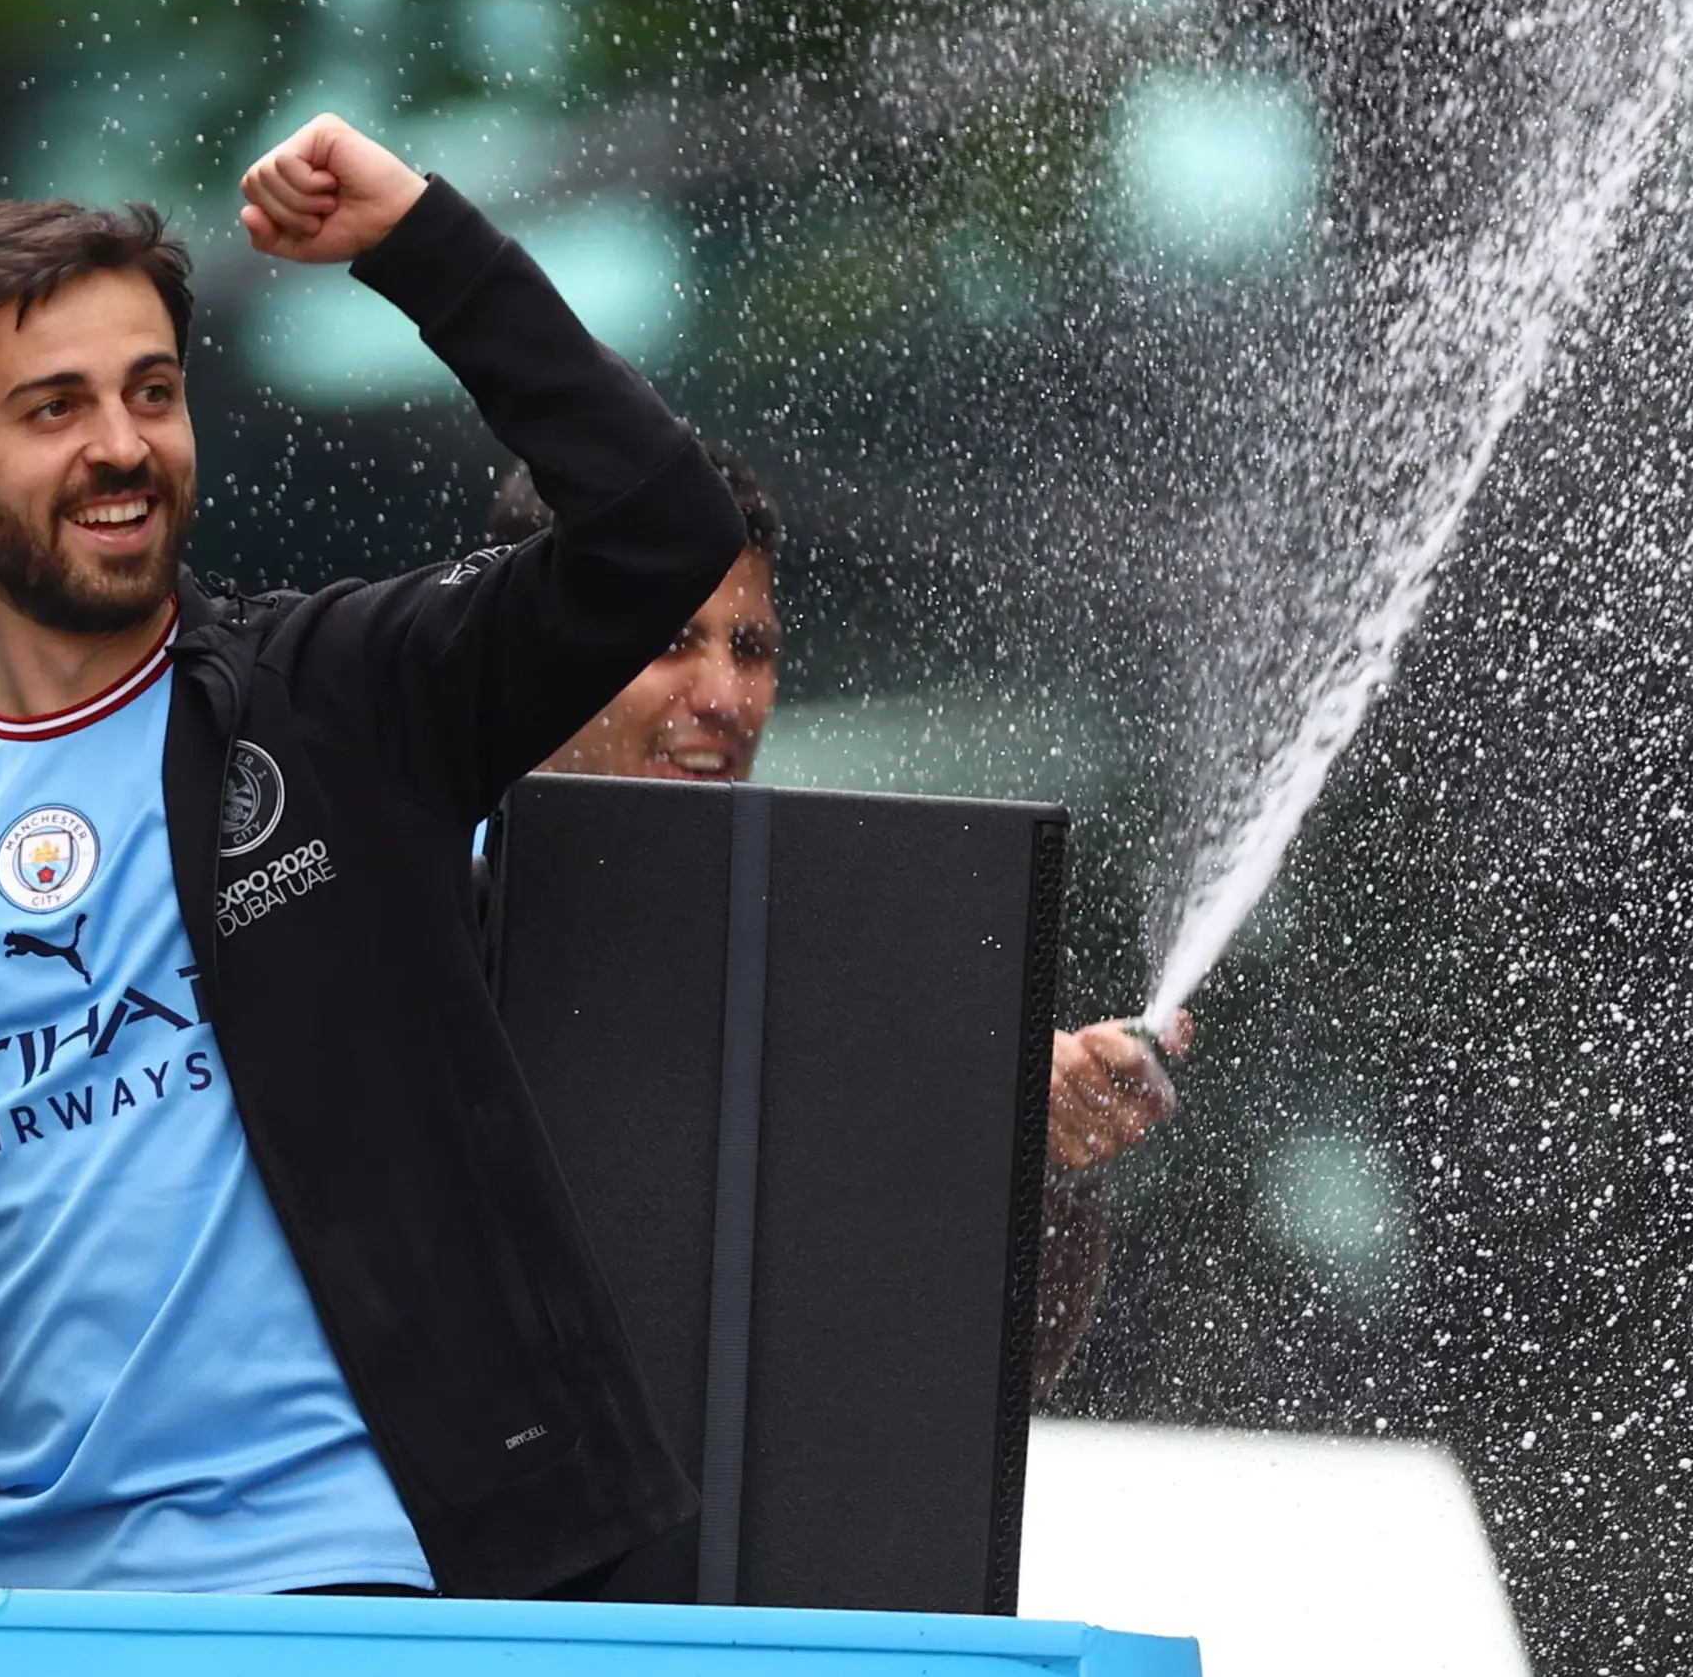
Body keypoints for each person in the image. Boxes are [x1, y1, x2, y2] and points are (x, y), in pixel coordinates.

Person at [0, 116, 743, 1598]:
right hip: (22, 1610)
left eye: (152, 393)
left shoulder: (341, 694)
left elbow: (661, 527)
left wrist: (420, 244)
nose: (122, 445)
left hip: (368, 1578)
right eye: (53, 408)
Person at [486, 458, 1184, 1394]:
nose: (727, 698)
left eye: (754, 648)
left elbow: (990, 1378)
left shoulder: (825, 958)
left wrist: (1047, 1156)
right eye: (670, 640)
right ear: (528, 636)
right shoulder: (387, 907)